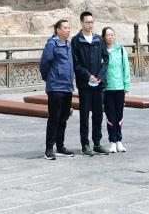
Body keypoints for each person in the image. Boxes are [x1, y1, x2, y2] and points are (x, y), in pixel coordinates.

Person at [71, 10, 109, 155]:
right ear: (81, 23)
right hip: (85, 84)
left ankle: (97, 142)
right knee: (85, 115)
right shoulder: (76, 40)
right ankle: (85, 144)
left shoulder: (99, 39)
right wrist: (88, 76)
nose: (90, 25)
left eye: (92, 22)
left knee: (98, 114)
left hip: (98, 83)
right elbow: (76, 63)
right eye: (87, 22)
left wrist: (99, 76)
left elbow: (106, 60)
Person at [39, 18, 76, 160]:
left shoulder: (69, 44)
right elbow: (44, 63)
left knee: (64, 117)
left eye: (69, 28)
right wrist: (48, 78)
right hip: (55, 87)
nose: (68, 30)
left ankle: (60, 146)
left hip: (67, 87)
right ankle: (49, 148)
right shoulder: (52, 44)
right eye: (65, 28)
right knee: (54, 117)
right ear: (58, 30)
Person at [102, 26, 131, 153]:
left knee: (119, 114)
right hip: (107, 88)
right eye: (108, 35)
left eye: (112, 34)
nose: (110, 37)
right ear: (104, 37)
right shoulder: (102, 51)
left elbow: (126, 68)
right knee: (110, 115)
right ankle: (112, 141)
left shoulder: (121, 50)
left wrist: (126, 85)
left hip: (119, 87)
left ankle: (119, 140)